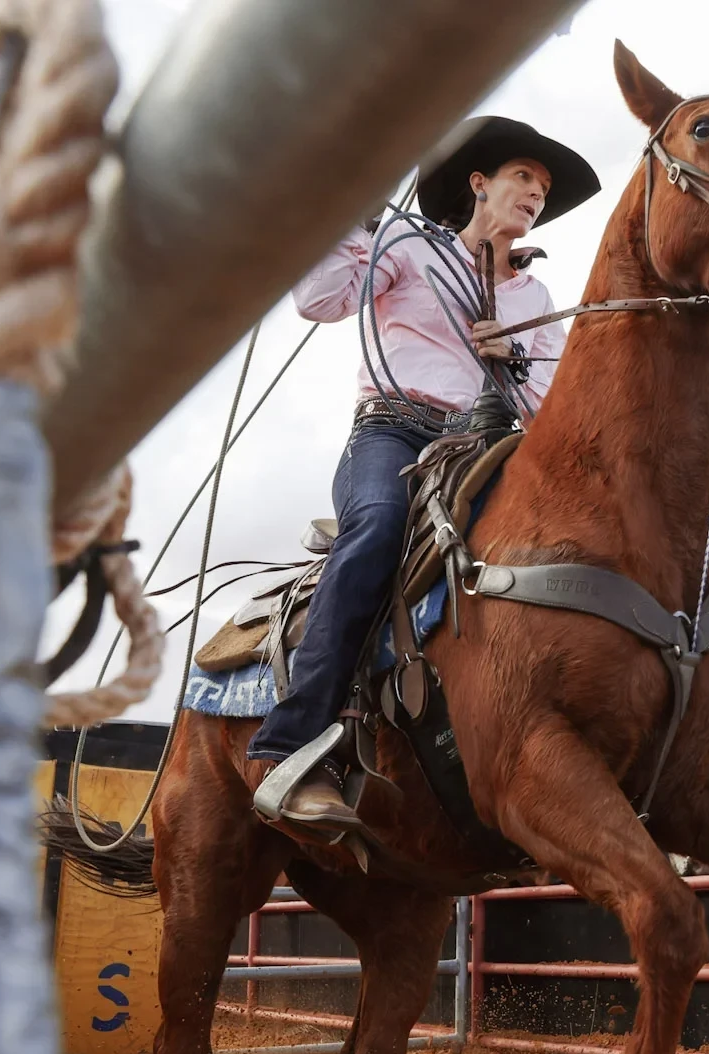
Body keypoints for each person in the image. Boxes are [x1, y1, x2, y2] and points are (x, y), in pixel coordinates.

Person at [247, 117, 600, 829]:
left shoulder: (536, 298)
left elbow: (555, 404)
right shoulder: (406, 244)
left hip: (490, 446)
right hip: (394, 431)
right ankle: (288, 747)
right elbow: (321, 299)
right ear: (479, 184)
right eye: (523, 177)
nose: (535, 192)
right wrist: (352, 213)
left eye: (544, 187)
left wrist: (514, 360)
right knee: (377, 529)